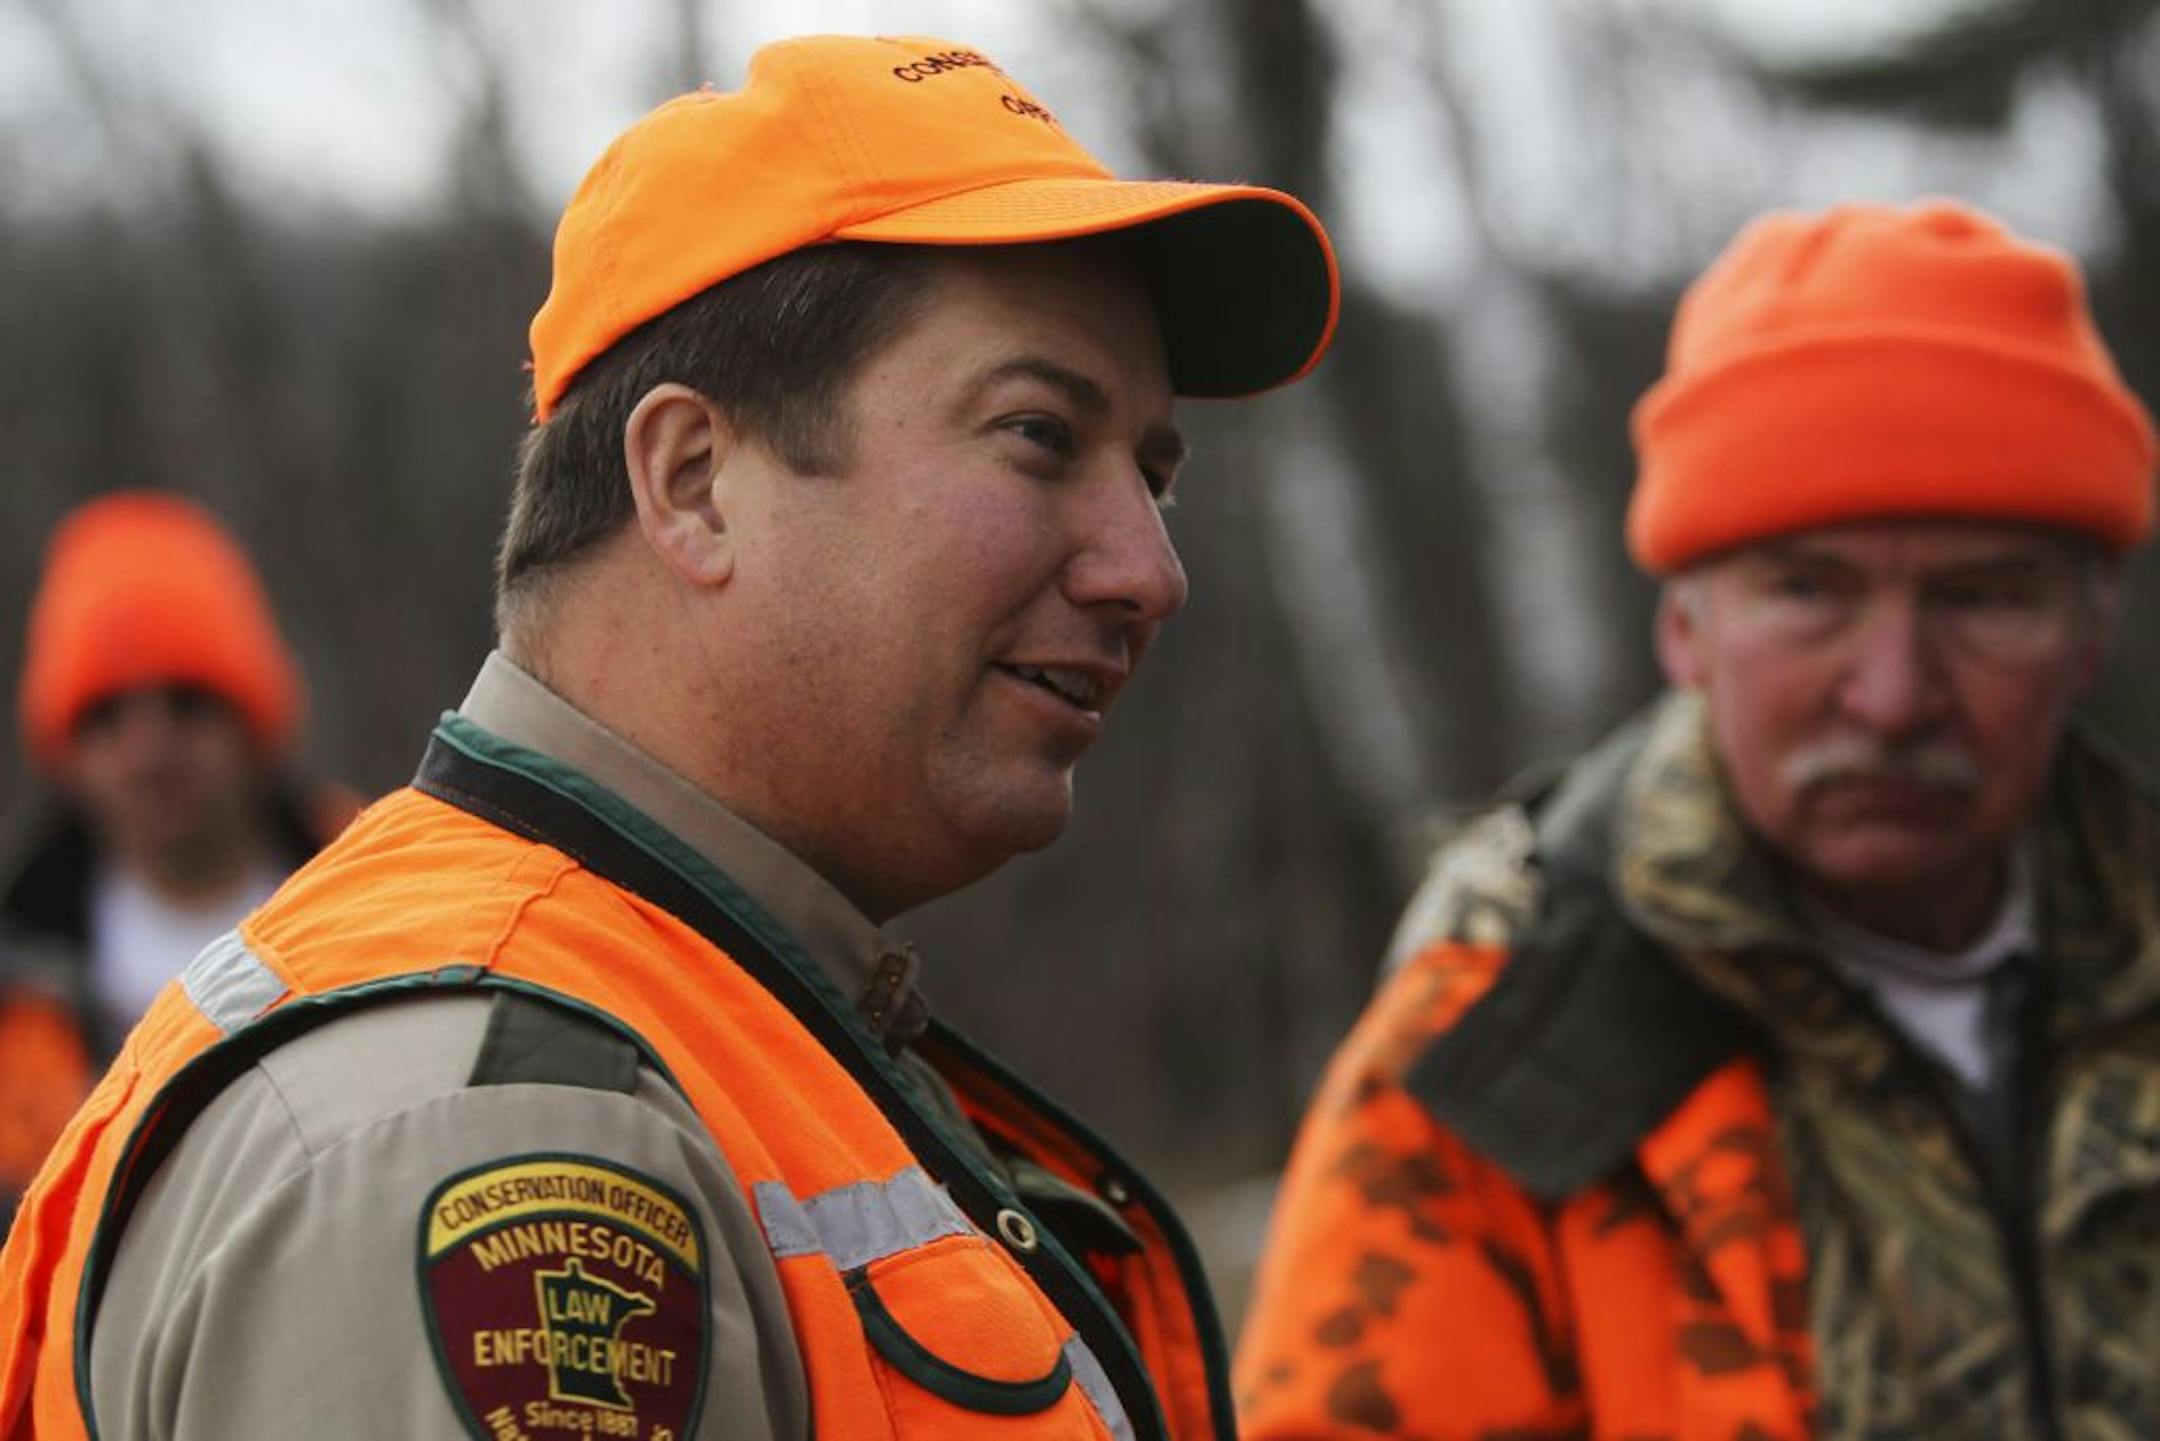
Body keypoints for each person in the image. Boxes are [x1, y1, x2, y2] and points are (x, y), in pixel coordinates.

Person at [0, 33, 1339, 1441]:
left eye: (1154, 475)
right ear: (694, 480)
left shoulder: (696, 1027)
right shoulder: (495, 1134)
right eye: (1040, 434)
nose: (1148, 570)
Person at [1236, 200, 2160, 1439]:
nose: (1893, 695)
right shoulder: (1499, 1039)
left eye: (1982, 598)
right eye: (1808, 591)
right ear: (1684, 629)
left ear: (2091, 633)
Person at [0, 492, 354, 1224]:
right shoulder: (18, 979)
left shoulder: (379, 893)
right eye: (107, 715)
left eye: (187, 702)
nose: (149, 750)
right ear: (67, 749)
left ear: (251, 719)